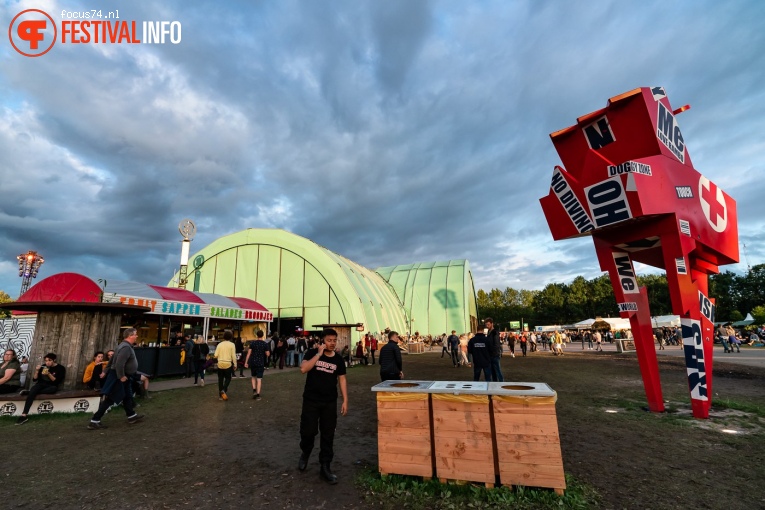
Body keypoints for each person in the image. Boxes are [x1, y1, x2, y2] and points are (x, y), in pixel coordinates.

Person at [298, 328, 348, 484]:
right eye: (329, 340)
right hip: (311, 401)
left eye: (334, 340)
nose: (332, 343)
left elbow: (342, 379)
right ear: (322, 341)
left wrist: (345, 399)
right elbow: (303, 369)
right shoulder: (312, 353)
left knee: (328, 434)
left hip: (329, 402)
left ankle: (325, 466)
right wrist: (319, 354)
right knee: (308, 431)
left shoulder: (338, 360)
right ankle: (306, 452)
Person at [87, 328, 144, 429]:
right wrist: (121, 376)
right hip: (119, 377)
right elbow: (118, 363)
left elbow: (111, 361)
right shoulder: (125, 347)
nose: (137, 336)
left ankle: (131, 416)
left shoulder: (122, 346)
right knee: (111, 399)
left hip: (122, 376)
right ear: (130, 336)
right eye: (135, 334)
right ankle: (94, 420)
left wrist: (105, 371)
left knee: (127, 396)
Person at [16, 352, 66, 425]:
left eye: (49, 360)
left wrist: (48, 374)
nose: (47, 362)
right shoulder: (43, 366)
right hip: (41, 384)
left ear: (54, 360)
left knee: (52, 389)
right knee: (33, 391)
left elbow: (56, 382)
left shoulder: (60, 368)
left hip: (51, 386)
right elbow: (35, 380)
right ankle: (24, 415)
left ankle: (30, 392)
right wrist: (36, 371)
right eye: (46, 361)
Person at [244, 329, 270, 400]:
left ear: (256, 335)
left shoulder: (253, 343)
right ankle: (258, 394)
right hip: (261, 363)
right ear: (263, 335)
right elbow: (268, 354)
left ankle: (254, 389)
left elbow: (249, 353)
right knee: (259, 379)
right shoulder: (265, 344)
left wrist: (246, 362)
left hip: (253, 362)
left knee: (253, 376)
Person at [214, 330, 238, 401]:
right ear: (231, 337)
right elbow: (233, 355)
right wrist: (235, 364)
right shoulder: (232, 345)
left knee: (220, 379)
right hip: (228, 363)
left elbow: (215, 355)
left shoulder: (219, 344)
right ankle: (224, 390)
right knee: (228, 378)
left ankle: (220, 395)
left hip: (220, 363)